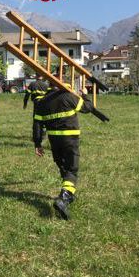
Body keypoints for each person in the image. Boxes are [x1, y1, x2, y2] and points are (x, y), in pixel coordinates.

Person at [33, 85, 100, 220]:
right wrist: (85, 94)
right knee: (71, 169)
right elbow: (88, 108)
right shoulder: (68, 96)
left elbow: (37, 125)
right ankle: (64, 198)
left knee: (63, 166)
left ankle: (69, 193)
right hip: (70, 139)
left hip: (54, 141)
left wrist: (37, 143)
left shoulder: (42, 102)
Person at [24, 74, 50, 143]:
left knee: (36, 121)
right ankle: (43, 136)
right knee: (44, 119)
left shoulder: (32, 84)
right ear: (42, 76)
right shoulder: (46, 85)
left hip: (37, 105)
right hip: (45, 104)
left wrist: (25, 103)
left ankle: (35, 137)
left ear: (36, 76)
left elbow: (27, 94)